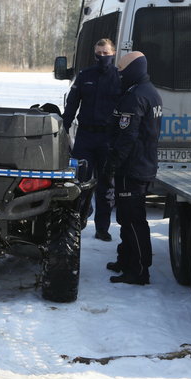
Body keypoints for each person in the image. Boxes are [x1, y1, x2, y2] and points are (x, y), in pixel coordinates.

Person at [102, 51, 163, 285]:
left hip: (132, 167)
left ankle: (138, 270)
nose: (119, 74)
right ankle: (126, 260)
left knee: (133, 220)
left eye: (121, 70)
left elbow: (127, 136)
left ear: (132, 70)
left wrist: (112, 164)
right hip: (143, 164)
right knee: (128, 219)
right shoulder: (151, 92)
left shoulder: (135, 96)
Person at [62, 38, 121, 241]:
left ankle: (102, 228)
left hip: (108, 139)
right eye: (99, 53)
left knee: (106, 185)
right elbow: (72, 104)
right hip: (86, 137)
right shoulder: (85, 76)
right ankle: (75, 223)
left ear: (113, 53)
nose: (102, 57)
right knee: (79, 183)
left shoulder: (120, 78)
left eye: (106, 53)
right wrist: (64, 126)